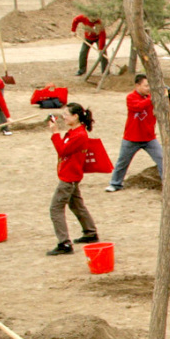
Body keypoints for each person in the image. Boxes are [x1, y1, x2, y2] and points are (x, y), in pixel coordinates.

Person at [47, 103, 99, 256]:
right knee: (76, 205)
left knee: (55, 208)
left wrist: (55, 133)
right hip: (72, 176)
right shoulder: (77, 132)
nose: (63, 117)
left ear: (75, 116)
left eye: (66, 114)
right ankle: (90, 232)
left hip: (69, 177)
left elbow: (63, 151)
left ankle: (64, 243)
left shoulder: (78, 134)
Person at [105, 74, 167, 192]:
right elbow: (138, 107)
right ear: (137, 85)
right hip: (131, 138)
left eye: (150, 86)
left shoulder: (151, 98)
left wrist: (166, 97)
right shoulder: (131, 97)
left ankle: (167, 184)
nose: (149, 88)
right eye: (146, 85)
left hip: (149, 137)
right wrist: (154, 97)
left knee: (162, 159)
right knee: (122, 162)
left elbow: (165, 108)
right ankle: (115, 183)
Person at [71, 12, 109, 77]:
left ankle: (105, 71)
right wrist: (73, 30)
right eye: (92, 19)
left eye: (94, 19)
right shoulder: (83, 17)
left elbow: (102, 36)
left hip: (98, 38)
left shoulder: (99, 23)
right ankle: (82, 70)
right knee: (83, 52)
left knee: (103, 53)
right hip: (88, 38)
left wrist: (100, 48)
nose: (93, 21)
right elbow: (75, 20)